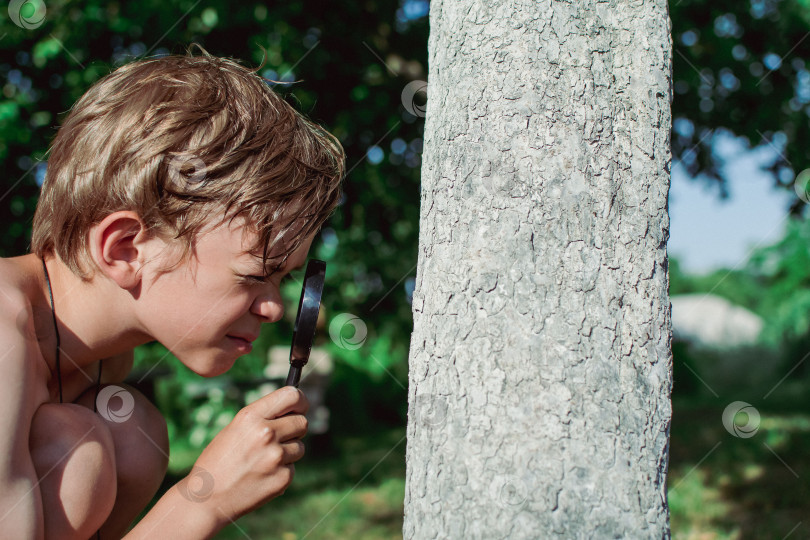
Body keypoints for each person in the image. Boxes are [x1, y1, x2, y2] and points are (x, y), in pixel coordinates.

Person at [0, 46, 345, 539]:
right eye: (253, 275)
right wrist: (201, 501)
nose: (273, 308)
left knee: (128, 432)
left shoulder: (103, 364)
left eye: (284, 280)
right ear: (124, 249)